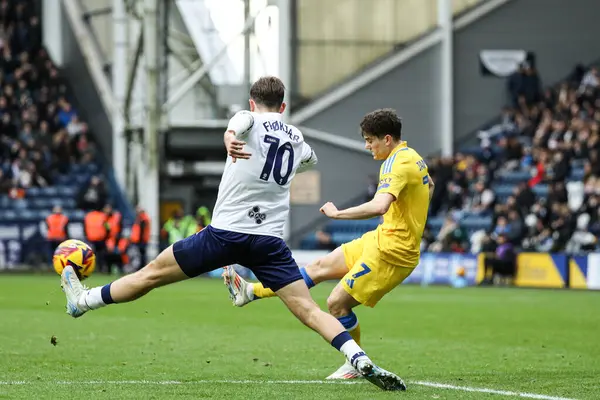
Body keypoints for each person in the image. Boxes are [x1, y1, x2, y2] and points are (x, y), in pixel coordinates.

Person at [60, 77, 406, 391]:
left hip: (224, 234)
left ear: (253, 102)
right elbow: (310, 159)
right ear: (283, 107)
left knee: (149, 276)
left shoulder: (247, 120)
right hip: (269, 242)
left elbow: (235, 127)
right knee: (310, 310)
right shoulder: (297, 137)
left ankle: (84, 301)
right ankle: (358, 358)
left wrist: (230, 139)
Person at [223, 108, 434, 380]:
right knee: (318, 268)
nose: (367, 145)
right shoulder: (413, 157)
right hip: (382, 238)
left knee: (336, 304)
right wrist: (414, 218)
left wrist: (338, 214)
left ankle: (354, 363)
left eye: (371, 140)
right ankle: (250, 292)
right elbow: (429, 187)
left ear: (388, 139)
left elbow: (381, 205)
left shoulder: (396, 164)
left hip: (393, 252)